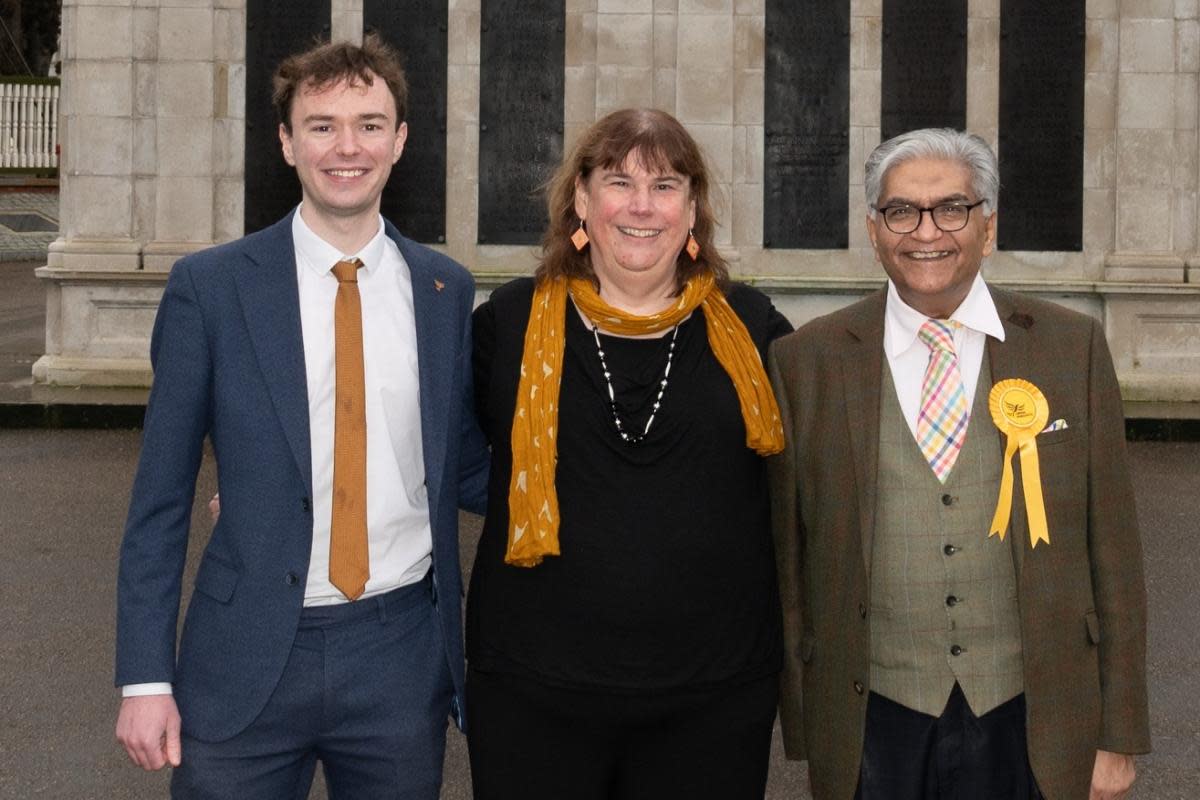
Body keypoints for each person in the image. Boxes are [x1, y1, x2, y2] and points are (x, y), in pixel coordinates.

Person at [113, 35, 488, 798]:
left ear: (400, 140)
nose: (347, 147)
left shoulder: (444, 291)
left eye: (370, 124)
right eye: (322, 126)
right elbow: (158, 502)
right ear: (286, 143)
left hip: (399, 654)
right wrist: (143, 677)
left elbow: (469, 464)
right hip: (243, 655)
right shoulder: (211, 290)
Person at [767, 128, 1150, 799]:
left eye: (952, 208)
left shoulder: (1071, 348)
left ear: (988, 226)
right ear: (874, 228)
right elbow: (790, 557)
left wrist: (1118, 732)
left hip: (1033, 713)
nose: (926, 232)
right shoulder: (808, 361)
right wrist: (804, 717)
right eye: (901, 212)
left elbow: (1113, 555)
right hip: (874, 716)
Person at [465, 108, 792, 799]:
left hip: (715, 699)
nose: (642, 206)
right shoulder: (508, 324)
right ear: (581, 201)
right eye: (619, 182)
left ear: (694, 208)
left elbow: (812, 479)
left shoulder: (757, 330)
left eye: (667, 185)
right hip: (534, 694)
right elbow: (428, 448)